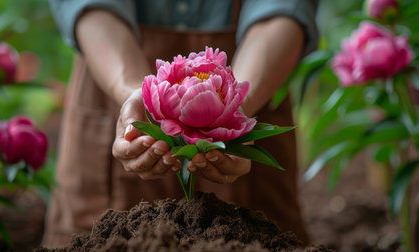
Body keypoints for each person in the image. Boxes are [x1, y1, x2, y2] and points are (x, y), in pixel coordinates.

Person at [43, 0, 318, 247]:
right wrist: (131, 91)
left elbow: (283, 8)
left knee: (258, 233)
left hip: (257, 75)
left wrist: (237, 108)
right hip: (110, 72)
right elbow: (91, 5)